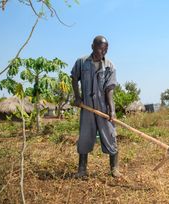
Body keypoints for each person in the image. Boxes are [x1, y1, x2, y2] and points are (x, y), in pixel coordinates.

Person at [71, 35, 122, 178]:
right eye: (100, 50)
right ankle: (82, 170)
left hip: (103, 108)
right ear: (92, 47)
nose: (103, 53)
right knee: (85, 137)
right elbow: (74, 78)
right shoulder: (81, 62)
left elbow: (109, 90)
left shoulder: (110, 66)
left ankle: (114, 169)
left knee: (111, 136)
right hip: (87, 106)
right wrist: (77, 97)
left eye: (105, 51)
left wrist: (111, 110)